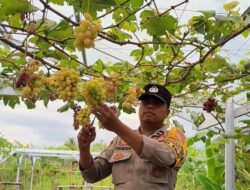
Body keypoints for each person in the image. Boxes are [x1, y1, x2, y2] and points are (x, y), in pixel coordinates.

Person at [77, 84, 187, 190]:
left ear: (167, 112)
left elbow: (168, 156)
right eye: (145, 102)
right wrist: (84, 148)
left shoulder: (175, 136)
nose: (150, 106)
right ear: (140, 107)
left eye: (157, 103)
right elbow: (92, 176)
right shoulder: (120, 140)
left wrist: (117, 126)